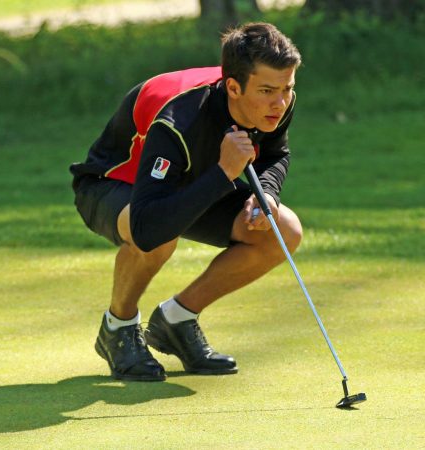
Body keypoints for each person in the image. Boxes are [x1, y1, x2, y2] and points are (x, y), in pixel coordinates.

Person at [69, 22, 303, 381]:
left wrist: (265, 194)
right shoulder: (178, 119)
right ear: (234, 87)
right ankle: (118, 328)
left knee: (282, 229)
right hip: (112, 186)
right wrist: (224, 173)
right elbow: (148, 229)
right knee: (161, 236)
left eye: (287, 88)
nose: (280, 101)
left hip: (192, 183)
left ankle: (176, 321)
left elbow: (275, 153)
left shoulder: (276, 102)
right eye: (269, 90)